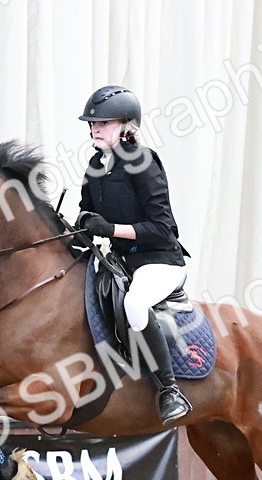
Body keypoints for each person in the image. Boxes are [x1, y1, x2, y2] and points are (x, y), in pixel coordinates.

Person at [75, 85, 194, 426]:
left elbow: (162, 228)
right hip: (121, 263)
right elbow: (87, 212)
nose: (95, 129)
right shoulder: (96, 164)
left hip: (159, 261)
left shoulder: (143, 162)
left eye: (104, 123)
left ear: (127, 125)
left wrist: (109, 229)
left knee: (134, 304)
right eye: (93, 124)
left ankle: (169, 391)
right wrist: (81, 225)